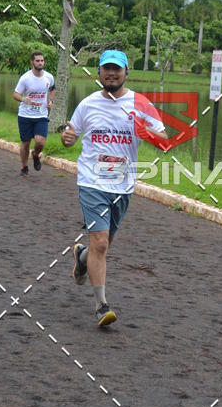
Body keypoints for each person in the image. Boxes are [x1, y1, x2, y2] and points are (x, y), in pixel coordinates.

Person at [60, 49, 168, 327]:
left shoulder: (140, 103)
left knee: (101, 247)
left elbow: (164, 138)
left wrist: (143, 130)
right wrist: (68, 138)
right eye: (106, 68)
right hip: (91, 182)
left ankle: (81, 257)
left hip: (122, 184)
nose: (111, 73)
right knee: (101, 242)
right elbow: (70, 134)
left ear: (126, 72)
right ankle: (101, 306)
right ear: (99, 72)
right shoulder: (87, 104)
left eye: (116, 69)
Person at [13, 52, 55, 177]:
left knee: (40, 142)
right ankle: (24, 167)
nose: (40, 63)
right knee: (25, 143)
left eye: (42, 60)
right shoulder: (25, 78)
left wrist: (50, 101)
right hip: (25, 115)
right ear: (32, 62)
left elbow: (52, 89)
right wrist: (23, 99)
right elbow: (15, 94)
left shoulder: (49, 77)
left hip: (41, 115)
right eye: (37, 61)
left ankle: (36, 155)